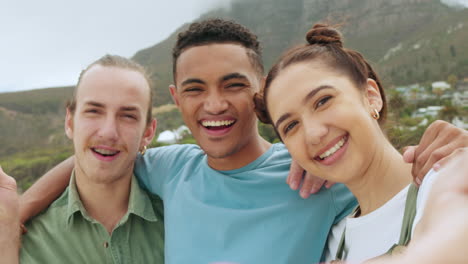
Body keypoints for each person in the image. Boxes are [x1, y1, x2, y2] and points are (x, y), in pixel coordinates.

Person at [17, 19, 467, 264]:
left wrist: (451, 149)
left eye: (233, 85)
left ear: (258, 91)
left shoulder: (316, 175)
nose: (214, 104)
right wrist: (19, 209)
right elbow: (103, 154)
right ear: (177, 98)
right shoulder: (172, 167)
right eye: (195, 89)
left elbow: (393, 178)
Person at [255, 23, 467, 262]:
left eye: (323, 101)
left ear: (371, 97)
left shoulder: (444, 187)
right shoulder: (333, 244)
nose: (313, 134)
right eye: (291, 126)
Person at [19, 55, 165, 263]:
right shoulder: (26, 242)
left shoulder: (180, 221)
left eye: (128, 116)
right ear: (70, 122)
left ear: (148, 132)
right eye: (94, 111)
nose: (108, 132)